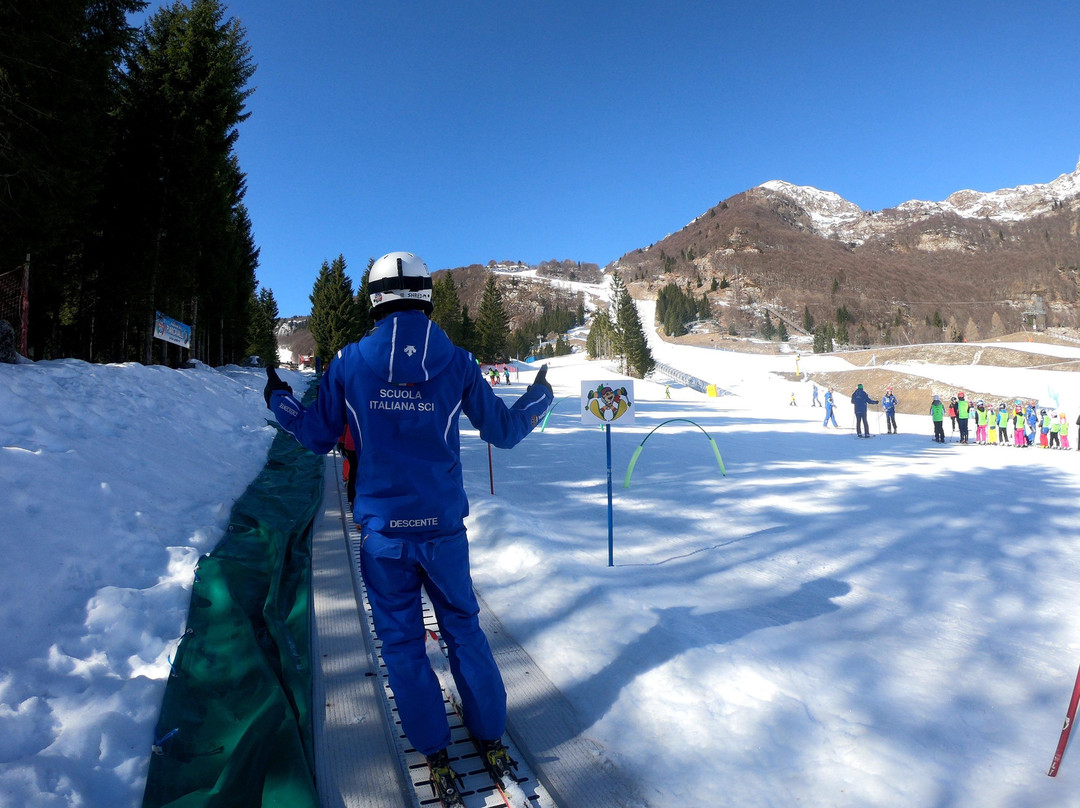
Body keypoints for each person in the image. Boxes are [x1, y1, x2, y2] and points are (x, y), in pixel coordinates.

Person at [265, 252, 553, 803]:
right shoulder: (459, 361)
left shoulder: (349, 362)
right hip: (443, 531)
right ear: (426, 295)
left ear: (374, 300)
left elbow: (315, 436)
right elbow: (507, 431)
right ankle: (490, 730)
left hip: (383, 536)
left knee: (401, 644)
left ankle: (430, 741)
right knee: (463, 629)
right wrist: (539, 395)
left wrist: (280, 399)